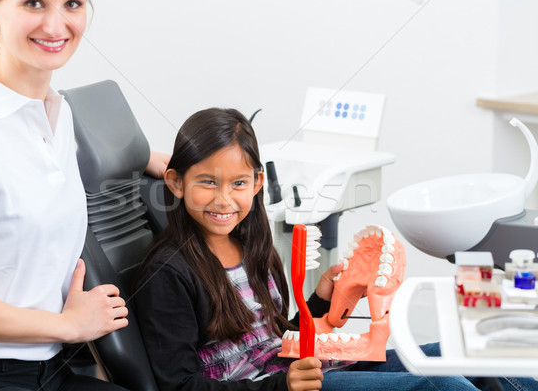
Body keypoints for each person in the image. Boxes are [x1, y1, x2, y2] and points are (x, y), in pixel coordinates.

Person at [133, 107, 538, 391]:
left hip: (297, 370)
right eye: (207, 182)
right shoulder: (169, 272)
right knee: (438, 383)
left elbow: (279, 339)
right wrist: (281, 386)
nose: (223, 200)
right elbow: (179, 385)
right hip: (274, 386)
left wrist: (321, 301)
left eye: (237, 184)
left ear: (256, 184)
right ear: (175, 183)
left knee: (470, 355)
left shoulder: (252, 246)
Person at [0, 0, 166, 390]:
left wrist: (152, 158)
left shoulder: (53, 113)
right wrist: (68, 325)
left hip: (54, 366)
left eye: (72, 3)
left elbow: (34, 179)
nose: (56, 25)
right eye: (34, 2)